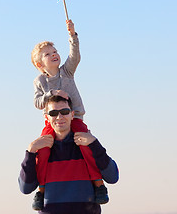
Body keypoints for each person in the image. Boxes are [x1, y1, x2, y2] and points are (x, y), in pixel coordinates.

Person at [30, 20, 108, 210]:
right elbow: (37, 102)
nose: (53, 54)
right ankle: (41, 190)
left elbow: (75, 56)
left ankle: (99, 185)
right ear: (40, 64)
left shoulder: (67, 71)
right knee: (43, 151)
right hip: (52, 123)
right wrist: (51, 94)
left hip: (76, 119)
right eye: (48, 54)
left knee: (86, 147)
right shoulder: (40, 81)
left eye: (54, 51)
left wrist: (73, 36)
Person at [18, 95, 119, 214]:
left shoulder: (87, 144)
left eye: (64, 112)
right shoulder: (41, 149)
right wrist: (30, 152)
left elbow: (113, 177)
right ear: (47, 117)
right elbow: (25, 188)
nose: (59, 117)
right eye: (53, 113)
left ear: (72, 114)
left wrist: (94, 144)